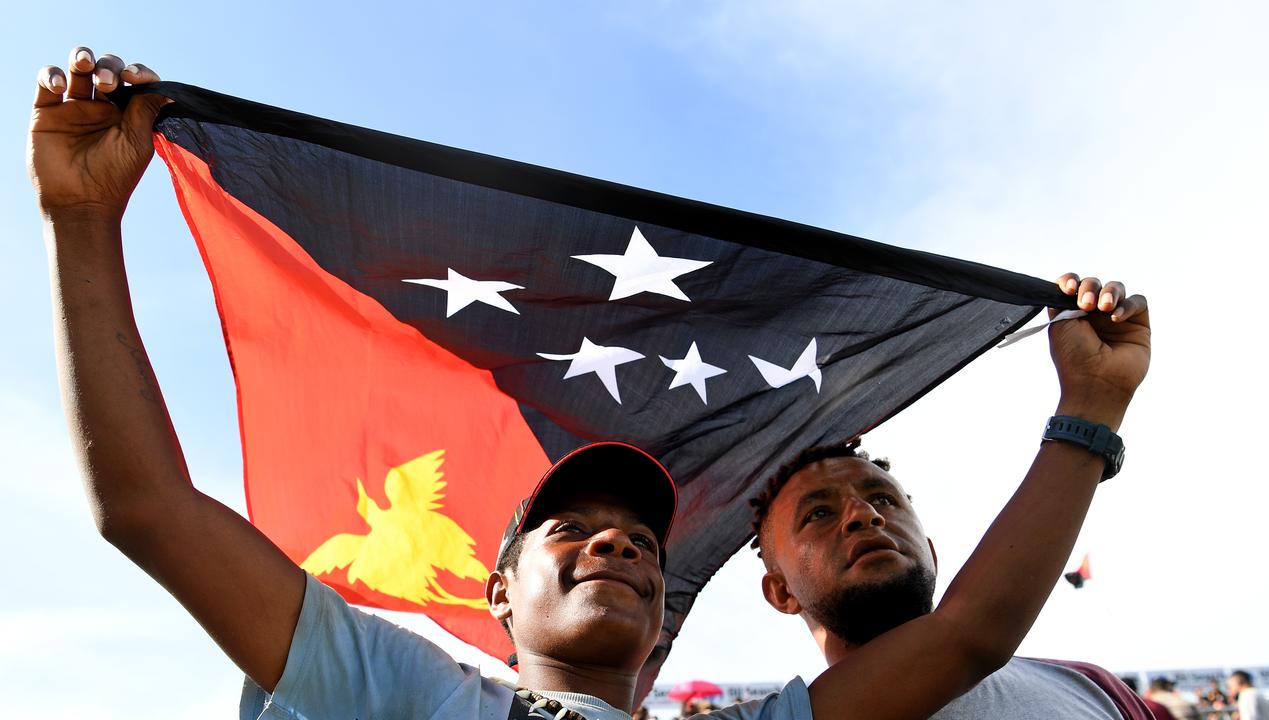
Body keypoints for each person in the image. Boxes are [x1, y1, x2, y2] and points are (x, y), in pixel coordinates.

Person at [30, 44, 1150, 720]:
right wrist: (83, 223)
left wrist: (1084, 415)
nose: (615, 545)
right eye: (570, 532)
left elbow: (965, 638)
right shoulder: (397, 688)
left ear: (667, 622)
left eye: (644, 546)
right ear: (495, 594)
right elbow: (146, 508)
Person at [748, 270, 1154, 720]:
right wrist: (1090, 405)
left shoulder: (1094, 690)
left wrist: (1098, 394)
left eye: (884, 499)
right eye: (819, 512)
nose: (864, 514)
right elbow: (967, 633)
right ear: (781, 591)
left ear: (932, 554)